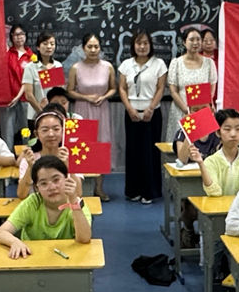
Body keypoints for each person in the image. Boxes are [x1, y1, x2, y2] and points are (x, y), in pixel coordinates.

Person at [0, 156, 92, 292]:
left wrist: (74, 201)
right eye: (43, 183)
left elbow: (84, 238)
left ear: (67, 179)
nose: (51, 187)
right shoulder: (33, 203)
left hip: (66, 271)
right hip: (31, 270)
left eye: (56, 180)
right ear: (36, 188)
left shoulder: (77, 204)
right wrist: (15, 241)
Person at [119, 27, 167, 203]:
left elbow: (161, 88)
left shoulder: (159, 64)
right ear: (133, 45)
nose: (142, 46)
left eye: (145, 43)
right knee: (133, 152)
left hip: (152, 114)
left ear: (150, 45)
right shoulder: (126, 64)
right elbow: (122, 88)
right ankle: (133, 190)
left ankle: (150, 192)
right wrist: (129, 109)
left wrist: (151, 108)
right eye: (138, 43)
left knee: (150, 153)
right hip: (131, 113)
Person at [67, 34, 117, 200]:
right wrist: (86, 97)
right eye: (89, 47)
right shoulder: (76, 68)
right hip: (82, 110)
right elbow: (70, 91)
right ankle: (82, 187)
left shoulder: (108, 67)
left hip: (102, 109)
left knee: (101, 146)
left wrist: (104, 97)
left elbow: (113, 88)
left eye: (96, 46)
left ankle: (99, 188)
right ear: (83, 48)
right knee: (82, 146)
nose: (93, 50)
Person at [184, 108, 239, 196]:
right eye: (227, 129)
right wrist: (201, 164)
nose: (233, 134)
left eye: (238, 129)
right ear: (218, 132)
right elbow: (215, 192)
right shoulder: (211, 161)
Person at [166, 27, 217, 136]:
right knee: (181, 142)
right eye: (192, 39)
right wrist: (186, 110)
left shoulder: (209, 63)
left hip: (202, 112)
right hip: (180, 110)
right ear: (184, 42)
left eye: (198, 39)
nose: (195, 43)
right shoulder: (176, 63)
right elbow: (173, 91)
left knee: (202, 142)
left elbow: (211, 89)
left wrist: (200, 110)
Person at [16, 110, 77, 201]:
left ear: (63, 131)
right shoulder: (30, 159)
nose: (51, 134)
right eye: (45, 130)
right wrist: (30, 167)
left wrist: (67, 166)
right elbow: (21, 194)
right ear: (36, 134)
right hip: (37, 206)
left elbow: (79, 192)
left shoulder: (70, 157)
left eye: (56, 129)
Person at [19, 31, 64, 124]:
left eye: (52, 44)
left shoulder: (57, 65)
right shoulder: (30, 67)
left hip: (55, 114)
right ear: (38, 47)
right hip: (35, 115)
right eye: (45, 43)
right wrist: (42, 112)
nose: (49, 47)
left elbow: (59, 91)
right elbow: (29, 95)